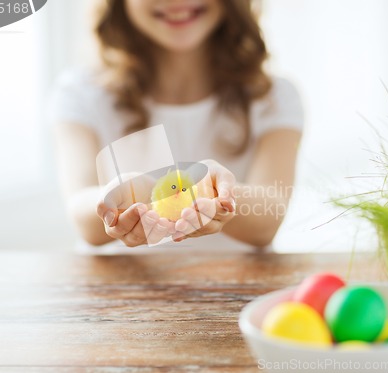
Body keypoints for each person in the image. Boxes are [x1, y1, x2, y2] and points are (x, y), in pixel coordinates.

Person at [50, 0, 303, 253]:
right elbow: (82, 215)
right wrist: (120, 197)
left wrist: (218, 193)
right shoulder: (80, 93)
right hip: (116, 285)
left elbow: (269, 217)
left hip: (237, 285)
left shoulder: (273, 97)